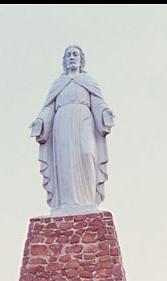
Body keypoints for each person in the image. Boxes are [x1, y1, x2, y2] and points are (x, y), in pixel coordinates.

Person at [30, 45, 114, 215]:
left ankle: (88, 200)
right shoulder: (58, 83)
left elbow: (97, 102)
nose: (71, 57)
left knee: (87, 153)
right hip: (62, 122)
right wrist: (40, 120)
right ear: (64, 60)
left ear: (81, 59)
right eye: (68, 55)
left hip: (84, 120)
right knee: (64, 160)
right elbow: (49, 108)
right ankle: (66, 202)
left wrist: (105, 112)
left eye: (75, 54)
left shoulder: (88, 81)